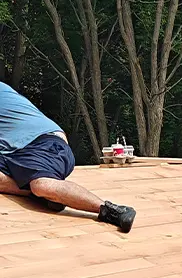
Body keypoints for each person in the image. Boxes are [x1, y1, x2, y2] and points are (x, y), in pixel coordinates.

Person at [0, 81, 136, 232]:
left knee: (42, 185)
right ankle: (40, 197)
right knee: (35, 188)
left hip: (42, 142)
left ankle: (112, 210)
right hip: (12, 151)